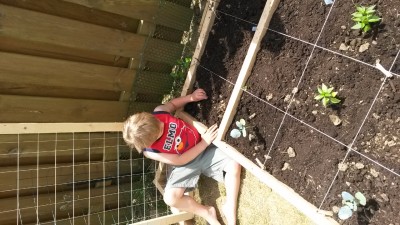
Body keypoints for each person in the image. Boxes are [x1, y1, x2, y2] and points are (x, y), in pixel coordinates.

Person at [123, 88, 241, 225]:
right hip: (186, 164)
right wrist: (204, 143)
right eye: (160, 130)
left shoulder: (159, 112)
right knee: (170, 199)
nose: (162, 124)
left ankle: (230, 207)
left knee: (234, 165)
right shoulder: (151, 151)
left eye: (158, 121)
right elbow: (180, 160)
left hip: (204, 151)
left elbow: (172, 105)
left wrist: (191, 97)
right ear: (151, 141)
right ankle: (207, 212)